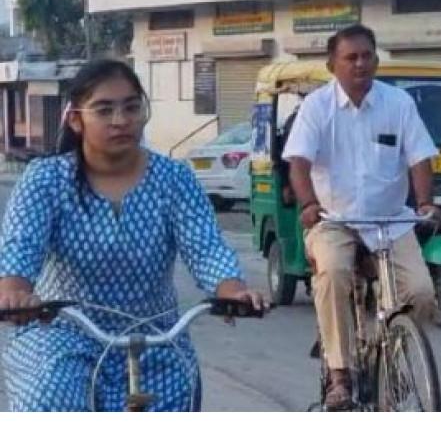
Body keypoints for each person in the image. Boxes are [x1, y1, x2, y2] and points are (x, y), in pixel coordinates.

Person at [0, 59, 266, 411]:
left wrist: (232, 290)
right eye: (104, 109)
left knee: (177, 398)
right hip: (61, 334)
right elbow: (21, 246)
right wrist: (15, 295)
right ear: (76, 119)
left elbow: (206, 246)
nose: (120, 120)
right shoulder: (45, 179)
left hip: (156, 337)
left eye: (131, 107)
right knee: (48, 397)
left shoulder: (174, 179)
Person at [282, 24, 441, 410]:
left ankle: (395, 359)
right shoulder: (316, 107)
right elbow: (299, 163)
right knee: (333, 272)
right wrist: (307, 204)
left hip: (390, 220)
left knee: (421, 293)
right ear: (332, 65)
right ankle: (340, 373)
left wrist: (424, 202)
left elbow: (419, 157)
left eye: (367, 56)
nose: (360, 64)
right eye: (350, 57)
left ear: (377, 60)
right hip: (334, 218)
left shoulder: (399, 103)